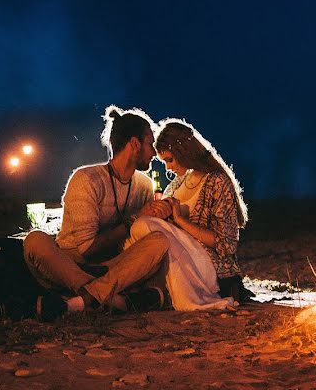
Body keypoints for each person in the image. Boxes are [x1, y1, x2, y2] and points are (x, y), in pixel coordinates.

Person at [23, 106, 173, 320]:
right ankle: (113, 298)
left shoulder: (144, 185)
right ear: (134, 144)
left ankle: (82, 301)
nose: (154, 152)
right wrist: (134, 220)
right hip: (70, 264)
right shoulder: (87, 179)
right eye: (150, 143)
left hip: (111, 267)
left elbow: (141, 237)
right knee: (35, 240)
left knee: (159, 241)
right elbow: (86, 250)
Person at [155, 119, 253, 302]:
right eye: (164, 161)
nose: (168, 167)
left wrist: (180, 221)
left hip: (213, 270)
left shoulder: (216, 182)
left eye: (170, 159)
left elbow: (226, 244)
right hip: (179, 264)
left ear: (184, 151)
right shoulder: (174, 186)